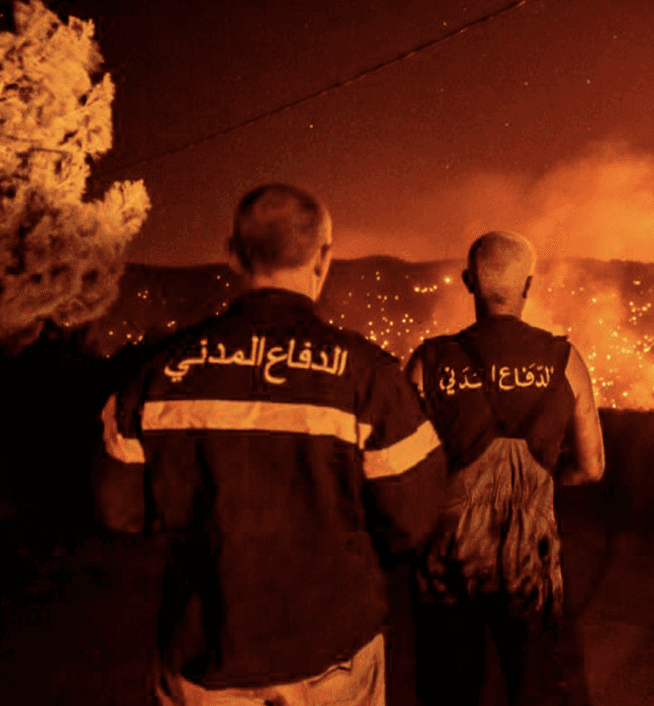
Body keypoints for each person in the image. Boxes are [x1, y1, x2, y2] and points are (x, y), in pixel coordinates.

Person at [94, 183, 445, 706]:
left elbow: (118, 507)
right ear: (323, 259)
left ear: (232, 254)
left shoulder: (159, 370)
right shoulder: (369, 377)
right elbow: (415, 517)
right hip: (333, 654)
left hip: (205, 652)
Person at [405, 231, 605, 706]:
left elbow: (403, 468)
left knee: (449, 687)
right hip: (530, 565)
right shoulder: (565, 360)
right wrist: (544, 487)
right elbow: (593, 467)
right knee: (533, 685)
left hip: (450, 562)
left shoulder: (428, 361)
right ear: (529, 285)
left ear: (468, 281)